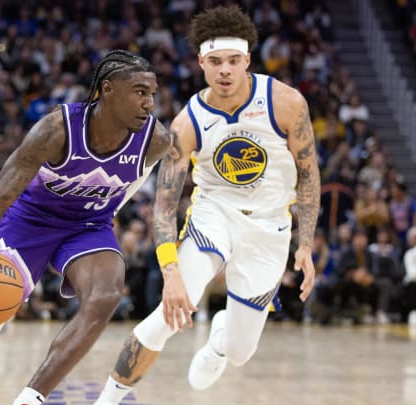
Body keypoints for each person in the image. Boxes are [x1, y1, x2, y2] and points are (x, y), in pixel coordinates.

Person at [0, 50, 169, 405]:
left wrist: (103, 214)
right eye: (139, 92)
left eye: (152, 94)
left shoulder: (155, 140)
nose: (149, 103)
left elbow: (128, 189)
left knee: (105, 294)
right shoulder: (55, 130)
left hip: (88, 224)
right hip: (29, 222)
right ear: (108, 90)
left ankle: (31, 398)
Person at [93, 7, 320, 404]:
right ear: (201, 62)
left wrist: (305, 244)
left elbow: (308, 174)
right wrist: (171, 272)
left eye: (234, 61)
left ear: (248, 59)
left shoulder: (286, 103)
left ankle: (219, 340)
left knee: (239, 352)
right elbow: (163, 206)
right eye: (215, 62)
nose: (225, 71)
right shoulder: (188, 123)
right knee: (167, 317)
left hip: (270, 227)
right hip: (213, 216)